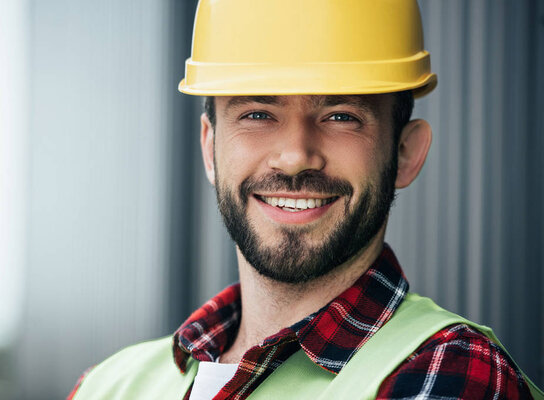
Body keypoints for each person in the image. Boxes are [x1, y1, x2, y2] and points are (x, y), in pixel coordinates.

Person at [68, 0, 543, 399]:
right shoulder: (106, 386)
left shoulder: (452, 373)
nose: (295, 157)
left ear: (404, 153)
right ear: (210, 147)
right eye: (257, 113)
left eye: (340, 116)